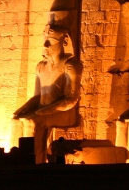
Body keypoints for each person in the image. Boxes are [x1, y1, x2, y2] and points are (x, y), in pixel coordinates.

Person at [13, 24, 82, 163]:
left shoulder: (70, 66)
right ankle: (16, 160)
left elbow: (71, 99)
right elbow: (37, 96)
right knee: (16, 121)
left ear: (64, 42)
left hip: (64, 111)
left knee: (32, 122)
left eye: (50, 41)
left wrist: (45, 111)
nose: (45, 45)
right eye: (45, 40)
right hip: (44, 109)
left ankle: (36, 161)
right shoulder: (41, 67)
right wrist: (21, 110)